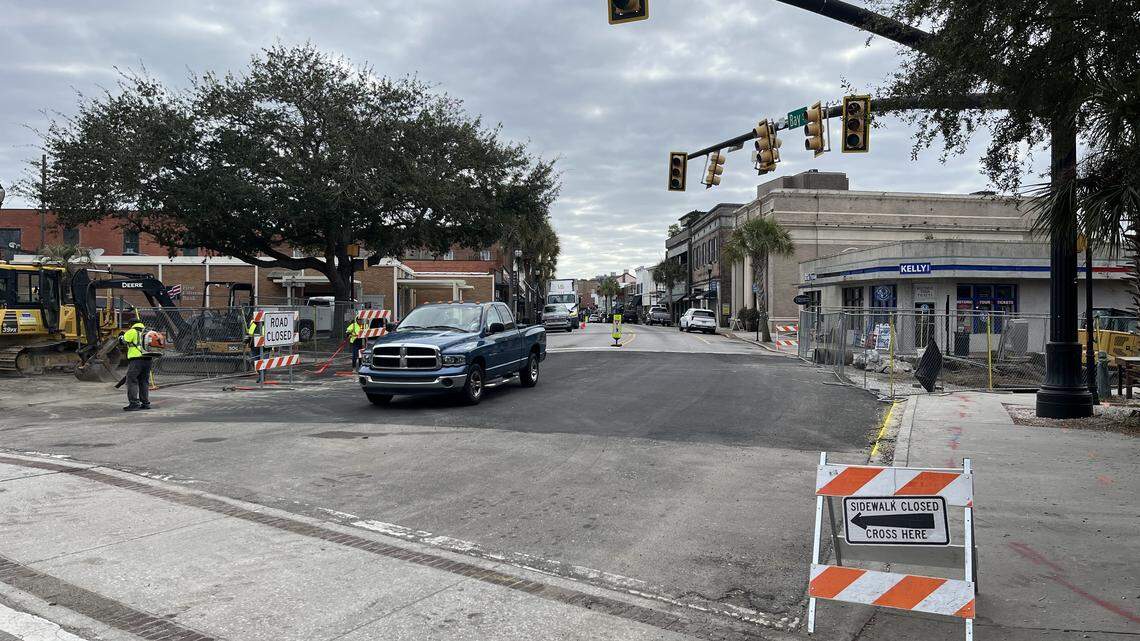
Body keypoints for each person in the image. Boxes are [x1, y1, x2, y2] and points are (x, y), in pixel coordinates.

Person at [120, 321, 152, 411]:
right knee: (144, 382)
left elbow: (123, 341)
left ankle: (134, 403)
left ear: (131, 324)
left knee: (131, 381)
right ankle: (145, 403)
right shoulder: (147, 331)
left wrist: (121, 336)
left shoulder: (132, 331)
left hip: (136, 360)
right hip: (148, 359)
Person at [247, 314, 264, 383]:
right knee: (254, 362)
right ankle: (261, 374)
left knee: (263, 363)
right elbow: (249, 334)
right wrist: (246, 342)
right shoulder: (253, 324)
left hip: (264, 348)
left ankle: (262, 377)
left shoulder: (266, 324)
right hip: (254, 346)